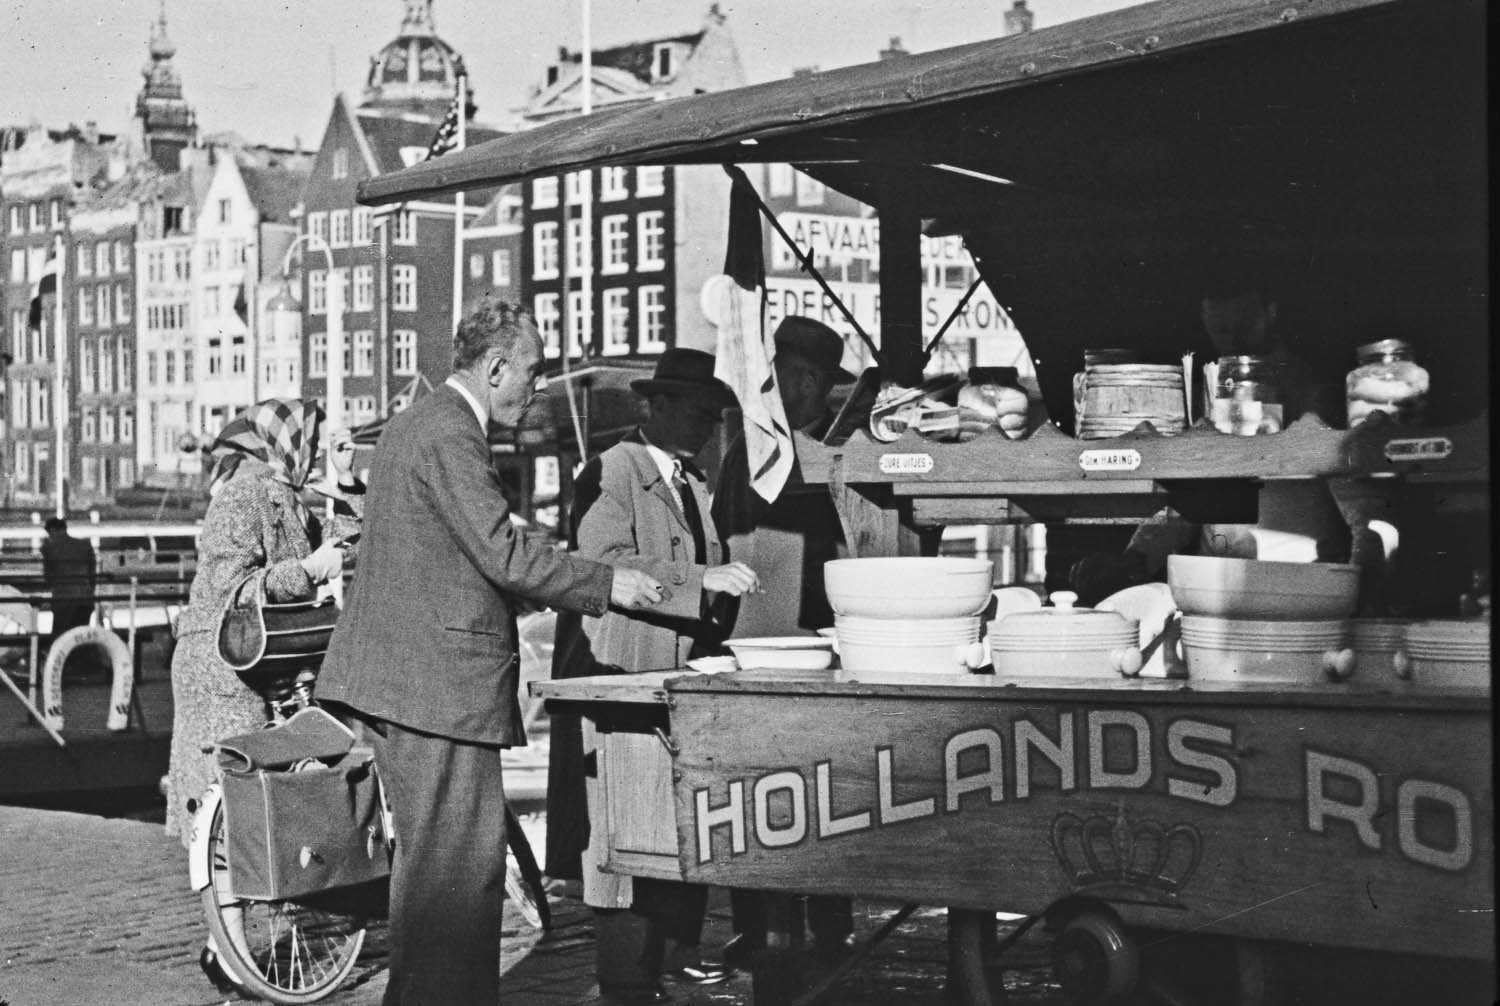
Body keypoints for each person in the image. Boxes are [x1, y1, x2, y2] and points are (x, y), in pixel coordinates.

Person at [314, 299, 667, 1006]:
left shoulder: (415, 426)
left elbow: (467, 544)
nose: (535, 389)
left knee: (431, 873)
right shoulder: (451, 433)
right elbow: (500, 551)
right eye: (531, 373)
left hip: (406, 681)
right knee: (458, 877)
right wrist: (607, 582)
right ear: (495, 365)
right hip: (436, 687)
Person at [549, 347, 759, 1004]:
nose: (705, 426)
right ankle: (626, 980)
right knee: (624, 838)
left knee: (672, 830)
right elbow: (601, 564)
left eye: (713, 416)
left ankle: (661, 967)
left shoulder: (692, 481)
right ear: (657, 406)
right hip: (620, 678)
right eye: (696, 412)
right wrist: (701, 581)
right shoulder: (612, 470)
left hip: (671, 683)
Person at [162, 398, 360, 992]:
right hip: (221, 670)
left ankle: (226, 947)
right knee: (235, 802)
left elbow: (351, 546)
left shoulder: (292, 498)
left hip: (261, 663)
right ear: (286, 444)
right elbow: (227, 589)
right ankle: (226, 946)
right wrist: (311, 570)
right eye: (316, 439)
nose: (318, 446)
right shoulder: (244, 498)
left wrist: (346, 479)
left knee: (252, 806)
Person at [711, 316, 857, 965]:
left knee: (831, 785)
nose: (789, 389)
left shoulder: (842, 447)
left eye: (799, 378)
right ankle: (760, 921)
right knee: (758, 783)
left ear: (814, 381)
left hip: (824, 636)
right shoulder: (752, 443)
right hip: (762, 634)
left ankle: (829, 921)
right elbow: (723, 530)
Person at [1071, 269, 1349, 605]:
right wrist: (1139, 556)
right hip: (1217, 590)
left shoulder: (1311, 389)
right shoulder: (1205, 390)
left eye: (1243, 326)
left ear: (1270, 313)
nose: (1233, 341)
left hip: (1301, 585)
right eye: (1220, 330)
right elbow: (1188, 496)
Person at [41, 516, 98, 650]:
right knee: (80, 638)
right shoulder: (85, 545)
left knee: (60, 639)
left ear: (53, 530)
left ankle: (64, 668)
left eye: (49, 533)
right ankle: (81, 664)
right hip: (85, 598)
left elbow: (48, 578)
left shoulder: (50, 548)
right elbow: (92, 576)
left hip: (63, 600)